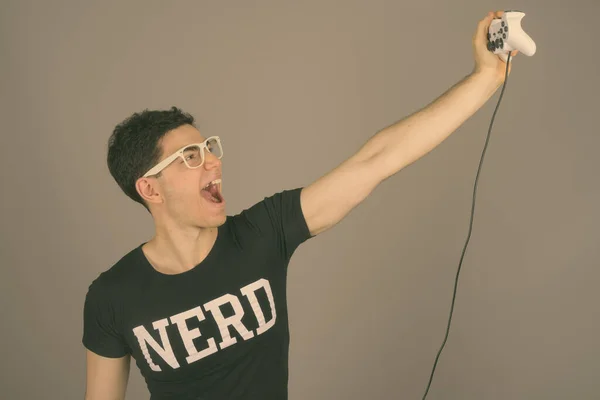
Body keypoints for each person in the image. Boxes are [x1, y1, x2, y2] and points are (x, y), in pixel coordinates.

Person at [82, 11, 516, 400]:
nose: (213, 161)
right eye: (190, 157)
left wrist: (485, 78)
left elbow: (377, 159)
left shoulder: (263, 233)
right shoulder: (111, 297)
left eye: (208, 147)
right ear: (150, 190)